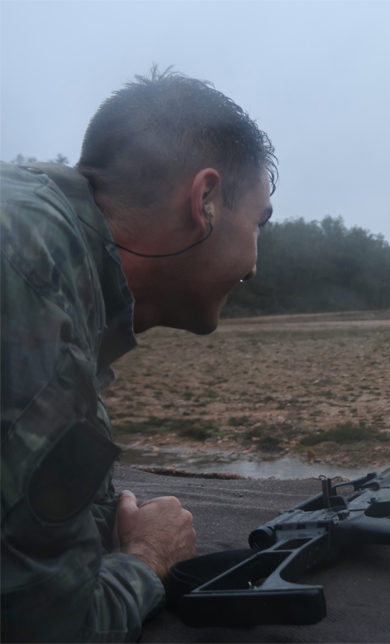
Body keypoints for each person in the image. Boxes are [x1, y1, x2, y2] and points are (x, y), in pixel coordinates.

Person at [1, 67, 277, 642]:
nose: (254, 265)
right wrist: (150, 556)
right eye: (259, 224)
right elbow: (51, 628)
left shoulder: (32, 228)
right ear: (204, 201)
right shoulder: (34, 276)